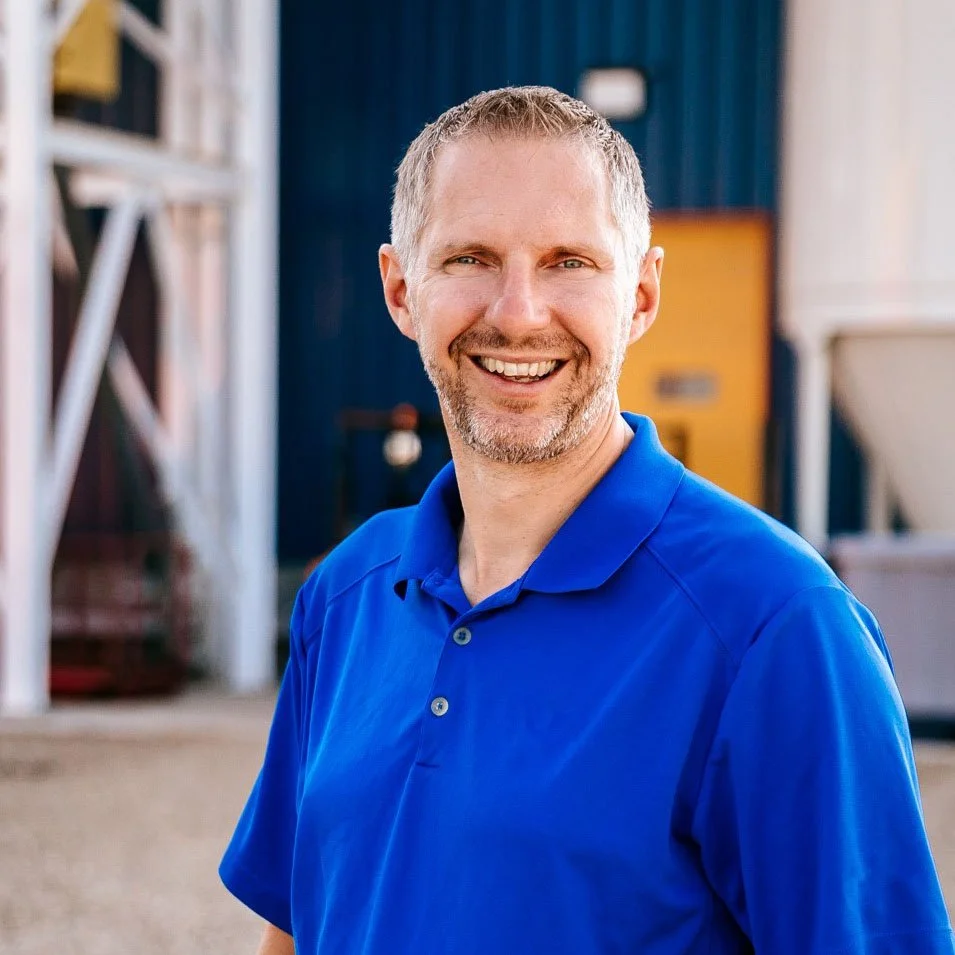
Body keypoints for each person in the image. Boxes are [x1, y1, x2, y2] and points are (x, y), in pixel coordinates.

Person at [220, 86, 955, 955]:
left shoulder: (776, 627)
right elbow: (297, 925)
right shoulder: (344, 594)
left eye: (569, 261)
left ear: (640, 295)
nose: (519, 313)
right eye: (469, 259)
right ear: (399, 289)